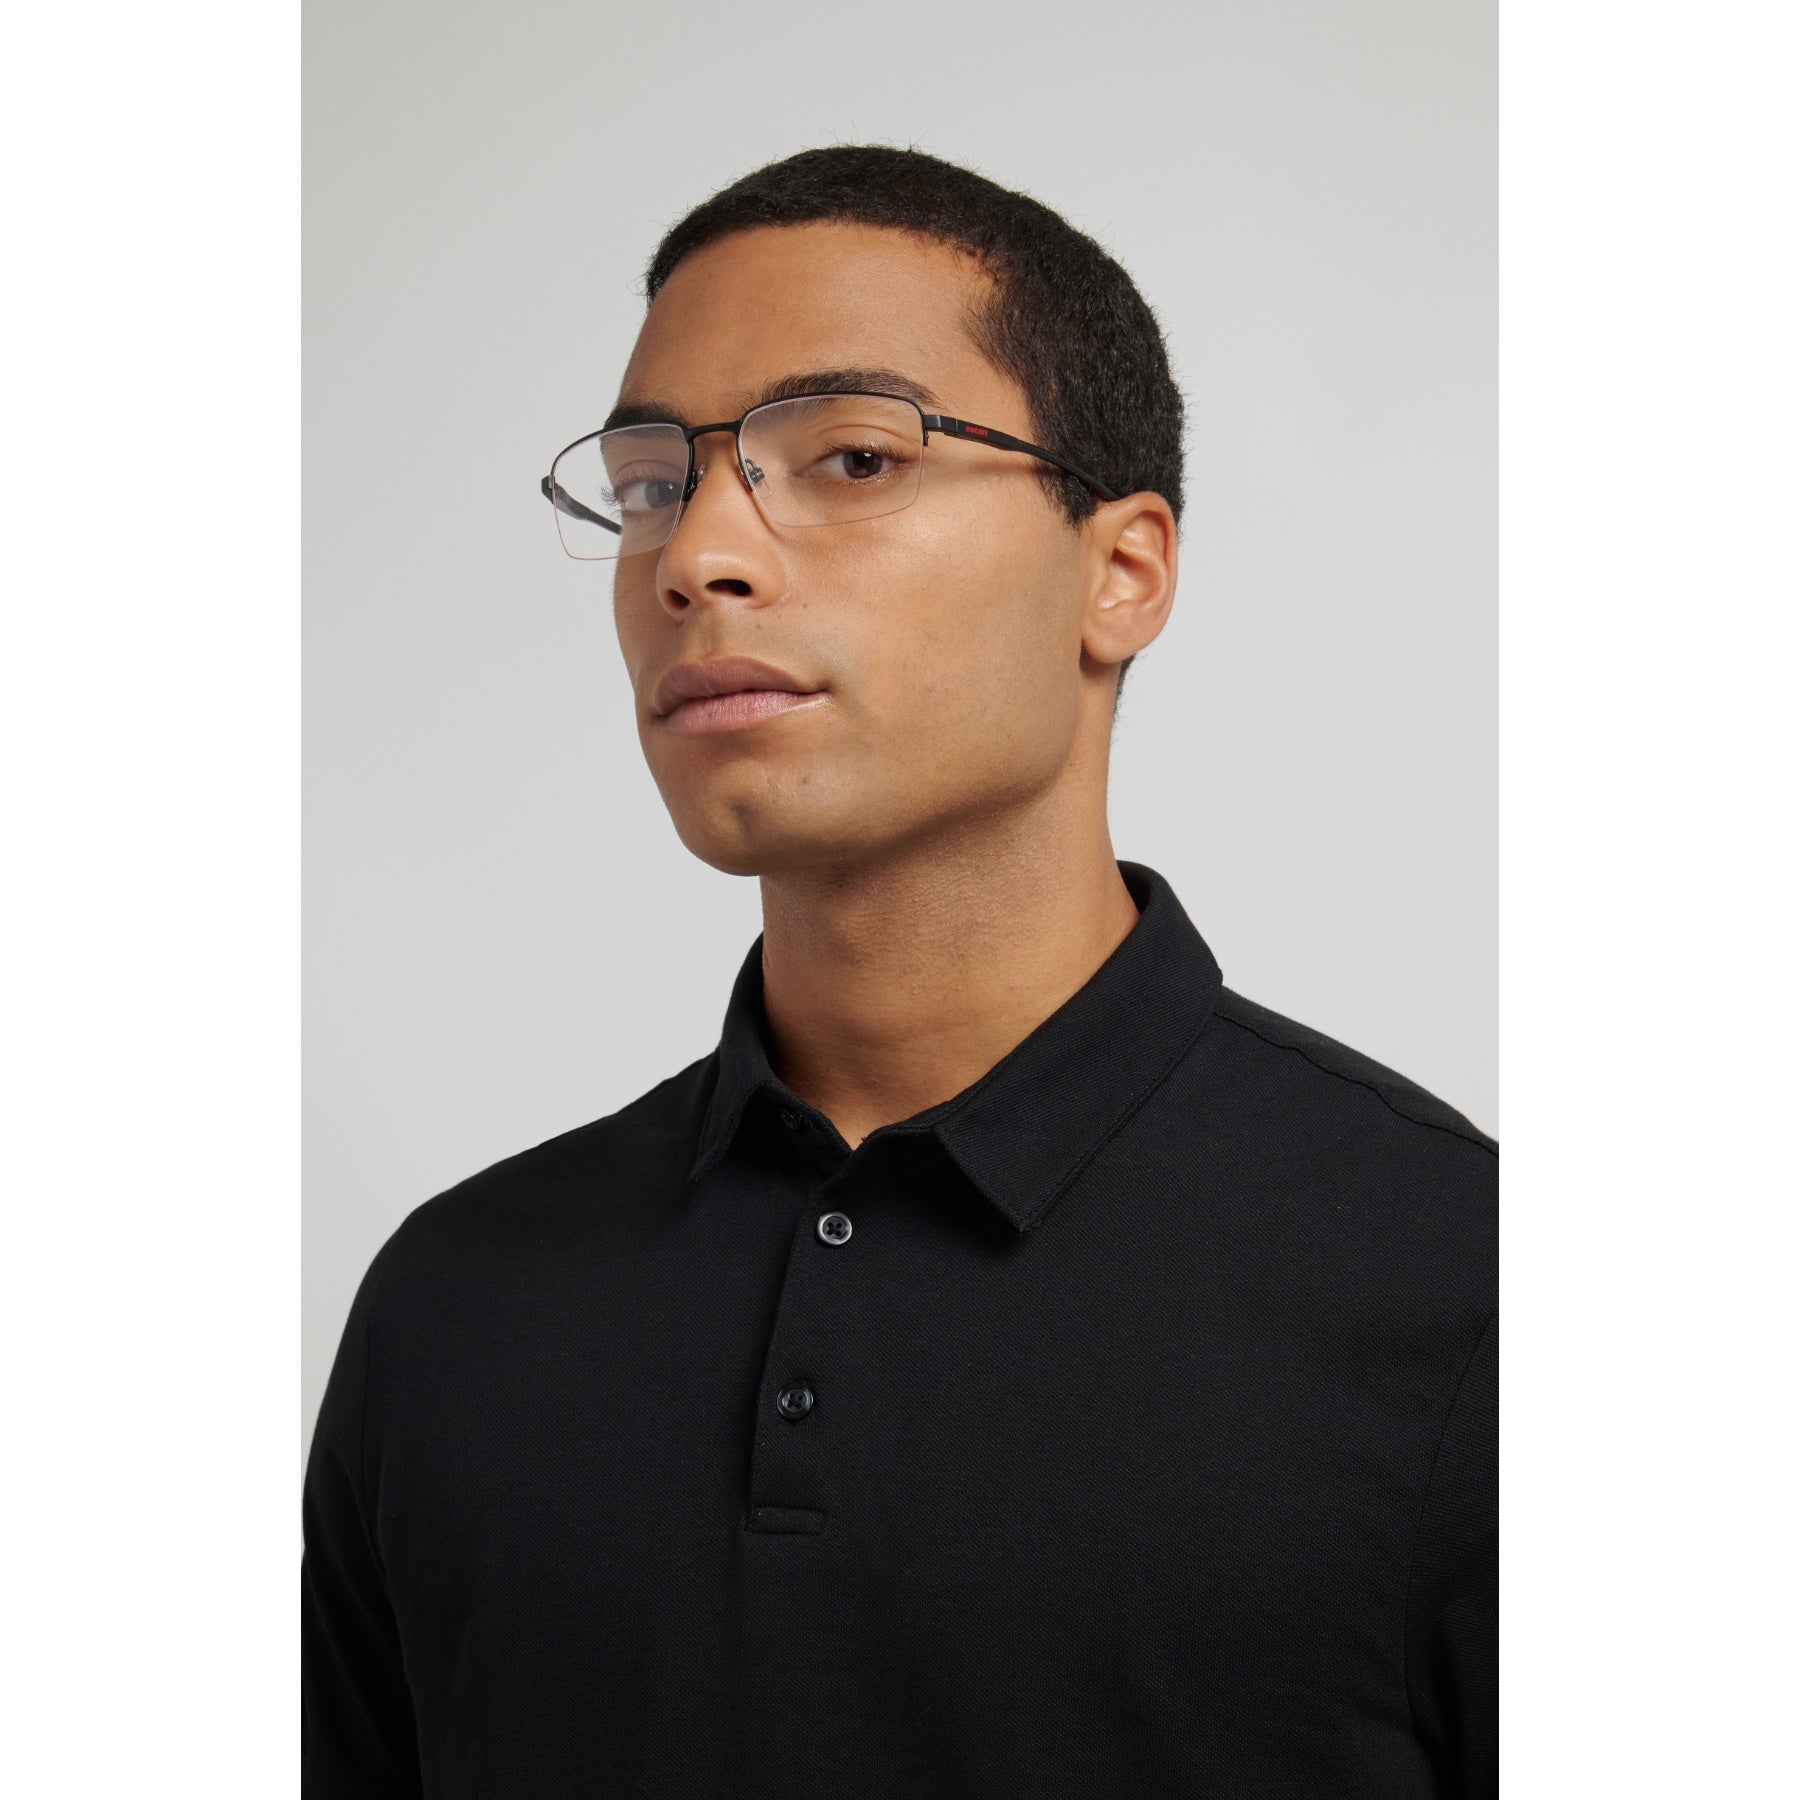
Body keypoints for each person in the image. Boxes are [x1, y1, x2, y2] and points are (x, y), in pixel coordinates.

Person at [303, 145, 1497, 1799]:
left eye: (854, 457)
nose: (696, 557)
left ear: (1122, 571)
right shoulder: (457, 1305)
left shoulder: (1473, 1296)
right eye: (651, 486)